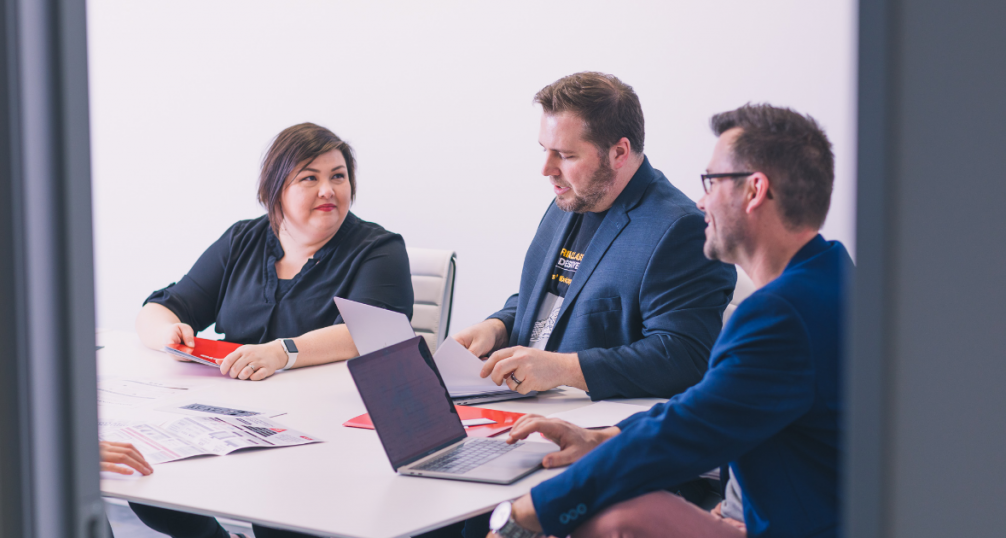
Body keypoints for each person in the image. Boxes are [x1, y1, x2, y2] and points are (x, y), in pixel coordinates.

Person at [487, 103, 852, 538]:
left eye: (712, 182)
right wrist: (602, 437)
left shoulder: (781, 315)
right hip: (790, 511)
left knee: (612, 519)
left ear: (754, 191)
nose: (701, 201)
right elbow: (702, 410)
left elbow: (686, 433)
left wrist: (531, 513)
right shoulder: (833, 276)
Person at [130, 123, 414, 538]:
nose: (328, 190)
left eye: (338, 176)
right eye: (309, 178)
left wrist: (281, 352)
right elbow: (160, 308)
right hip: (232, 416)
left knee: (279, 523)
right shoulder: (242, 239)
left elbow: (371, 331)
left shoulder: (379, 248)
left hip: (323, 428)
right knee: (150, 483)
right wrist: (170, 334)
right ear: (276, 188)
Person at [455, 72, 736, 401]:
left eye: (566, 155)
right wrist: (499, 327)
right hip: (522, 406)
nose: (546, 169)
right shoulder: (570, 200)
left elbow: (684, 356)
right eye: (545, 149)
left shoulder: (682, 229)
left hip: (595, 420)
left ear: (619, 153)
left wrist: (565, 369)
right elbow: (553, 300)